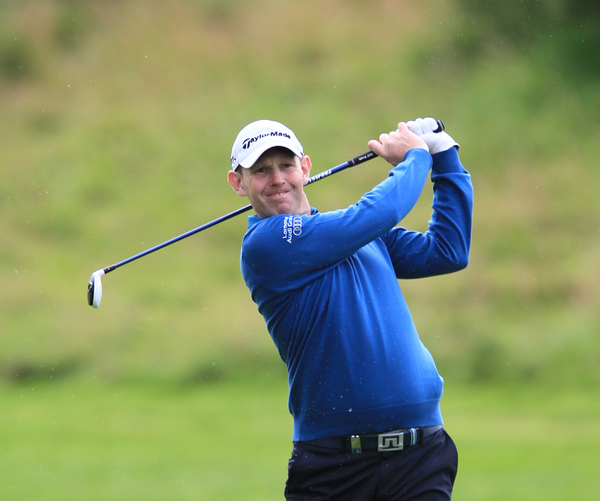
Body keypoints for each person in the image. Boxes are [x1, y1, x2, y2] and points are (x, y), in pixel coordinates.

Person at [227, 117, 473, 501]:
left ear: (305, 168)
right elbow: (375, 214)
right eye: (260, 170)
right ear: (238, 183)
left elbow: (448, 251)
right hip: (334, 469)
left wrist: (445, 159)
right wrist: (416, 159)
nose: (276, 179)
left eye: (286, 165)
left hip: (419, 458)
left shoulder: (352, 232)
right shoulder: (266, 245)